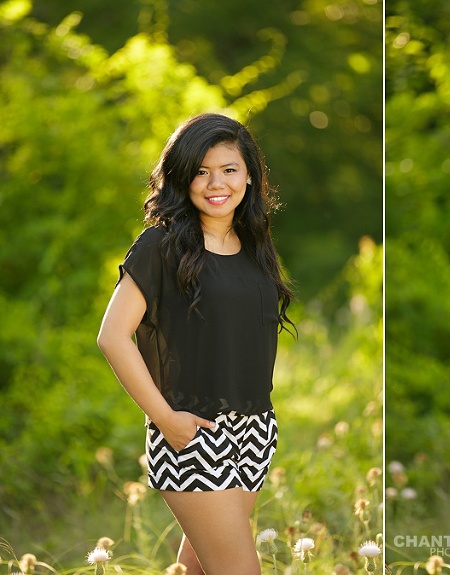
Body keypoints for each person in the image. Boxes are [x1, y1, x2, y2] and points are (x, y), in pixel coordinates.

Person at [98, 113, 294, 575]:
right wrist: (165, 420)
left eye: (228, 169)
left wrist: (258, 429)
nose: (215, 183)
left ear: (249, 175)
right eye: (201, 171)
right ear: (181, 178)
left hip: (255, 433)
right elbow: (112, 336)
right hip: (195, 434)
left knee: (196, 571)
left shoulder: (254, 245)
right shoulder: (160, 246)